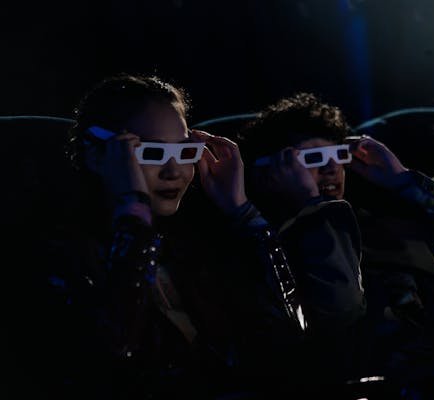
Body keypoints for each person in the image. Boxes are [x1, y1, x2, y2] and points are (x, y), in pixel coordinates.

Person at [32, 73, 308, 399]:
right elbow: (112, 359)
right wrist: (133, 211)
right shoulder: (62, 253)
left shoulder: (197, 242)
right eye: (152, 153)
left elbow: (291, 338)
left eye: (184, 152)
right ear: (98, 156)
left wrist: (242, 212)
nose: (174, 171)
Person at [236, 92, 434, 387]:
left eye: (338, 156)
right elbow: (340, 312)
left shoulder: (379, 219)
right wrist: (311, 207)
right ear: (266, 173)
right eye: (313, 158)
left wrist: (403, 181)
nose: (332, 169)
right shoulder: (270, 255)